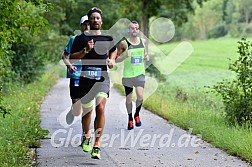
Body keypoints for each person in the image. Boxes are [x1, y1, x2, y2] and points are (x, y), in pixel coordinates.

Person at [70, 7, 117, 159]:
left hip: (102, 78)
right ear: (89, 21)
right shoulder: (81, 38)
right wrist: (85, 50)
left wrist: (111, 60)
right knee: (87, 112)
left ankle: (97, 144)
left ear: (101, 21)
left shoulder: (108, 38)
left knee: (101, 107)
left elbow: (114, 50)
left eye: (98, 18)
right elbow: (72, 58)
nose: (95, 20)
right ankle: (87, 135)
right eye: (93, 18)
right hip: (86, 80)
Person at [115, 21, 149, 130]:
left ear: (138, 30)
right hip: (128, 75)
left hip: (140, 74)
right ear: (129, 30)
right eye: (132, 28)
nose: (135, 30)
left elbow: (144, 54)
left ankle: (137, 114)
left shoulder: (143, 41)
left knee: (140, 96)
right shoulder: (124, 43)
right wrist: (125, 57)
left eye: (137, 28)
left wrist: (146, 56)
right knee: (129, 99)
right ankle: (130, 118)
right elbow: (116, 59)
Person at [62, 15, 90, 125]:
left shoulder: (95, 40)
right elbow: (64, 56)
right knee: (78, 111)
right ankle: (73, 111)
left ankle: (86, 133)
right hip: (76, 76)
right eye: (85, 24)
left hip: (89, 75)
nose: (87, 27)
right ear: (81, 26)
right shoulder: (74, 40)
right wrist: (69, 65)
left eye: (89, 24)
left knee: (88, 106)